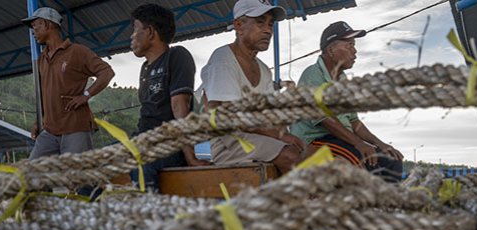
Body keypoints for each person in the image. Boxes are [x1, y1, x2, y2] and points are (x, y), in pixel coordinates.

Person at [200, 0, 308, 174]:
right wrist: (280, 136)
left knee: (305, 152)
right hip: (225, 142)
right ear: (239, 25)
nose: (267, 30)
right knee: (290, 156)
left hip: (253, 137)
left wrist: (287, 134)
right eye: (260, 22)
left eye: (270, 24)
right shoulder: (223, 59)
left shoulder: (264, 70)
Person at [290, 22, 405, 181]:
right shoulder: (312, 75)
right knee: (359, 159)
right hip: (316, 140)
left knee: (391, 160)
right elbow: (326, 120)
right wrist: (359, 144)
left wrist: (380, 144)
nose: (355, 51)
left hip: (342, 138)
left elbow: (354, 121)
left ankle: (387, 204)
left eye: (354, 45)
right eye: (349, 45)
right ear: (331, 50)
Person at [22, 7, 114, 195]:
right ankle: (48, 212)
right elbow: (44, 93)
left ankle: (94, 218)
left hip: (75, 128)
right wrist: (37, 121)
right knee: (31, 174)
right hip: (49, 130)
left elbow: (107, 72)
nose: (33, 32)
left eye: (36, 26)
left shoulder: (78, 52)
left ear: (48, 25)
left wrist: (85, 95)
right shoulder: (42, 59)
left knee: (82, 182)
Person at [130, 3, 209, 191]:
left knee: (140, 163)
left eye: (135, 30)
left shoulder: (177, 56)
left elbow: (179, 106)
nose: (131, 37)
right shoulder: (145, 68)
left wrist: (190, 157)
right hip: (142, 139)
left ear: (150, 32)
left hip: (168, 145)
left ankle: (152, 216)